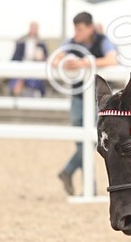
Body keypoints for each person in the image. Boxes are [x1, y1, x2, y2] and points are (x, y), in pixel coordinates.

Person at [54, 12, 118, 195]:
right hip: (78, 97)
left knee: (89, 141)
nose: (77, 32)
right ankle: (87, 185)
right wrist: (67, 63)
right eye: (75, 28)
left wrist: (85, 63)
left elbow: (112, 59)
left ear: (90, 27)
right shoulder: (72, 42)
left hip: (96, 98)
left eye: (80, 29)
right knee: (82, 142)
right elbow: (55, 58)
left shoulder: (102, 40)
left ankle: (69, 171)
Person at [10, 21, 47, 97]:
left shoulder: (41, 43)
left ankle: (29, 91)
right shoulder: (21, 41)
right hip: (21, 66)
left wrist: (41, 57)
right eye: (32, 28)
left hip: (36, 67)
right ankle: (18, 91)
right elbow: (15, 57)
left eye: (35, 28)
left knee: (34, 79)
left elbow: (46, 58)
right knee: (19, 77)